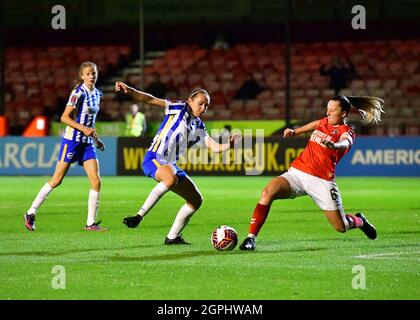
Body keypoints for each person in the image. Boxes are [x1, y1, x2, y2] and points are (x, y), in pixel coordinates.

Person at [239, 95, 385, 251]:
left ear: (343, 113)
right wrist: (296, 131)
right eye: (327, 109)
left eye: (332, 110)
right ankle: (251, 238)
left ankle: (359, 221)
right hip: (297, 174)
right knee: (267, 192)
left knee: (341, 227)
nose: (328, 113)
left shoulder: (347, 132)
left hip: (322, 182)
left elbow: (345, 142)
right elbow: (316, 124)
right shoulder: (324, 122)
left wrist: (334, 145)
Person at [115, 82, 241, 244]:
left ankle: (172, 237)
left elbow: (213, 146)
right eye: (200, 103)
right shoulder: (178, 108)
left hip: (170, 165)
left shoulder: (199, 125)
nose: (203, 108)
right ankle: (139, 215)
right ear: (190, 101)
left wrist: (228, 146)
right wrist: (130, 91)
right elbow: (150, 99)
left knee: (196, 200)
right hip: (154, 157)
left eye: (206, 105)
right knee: (171, 178)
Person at [24, 61, 106, 232]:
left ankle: (90, 223)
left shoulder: (98, 94)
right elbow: (64, 118)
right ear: (82, 76)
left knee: (96, 181)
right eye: (89, 73)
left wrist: (96, 140)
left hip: (87, 143)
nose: (92, 76)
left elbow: (91, 122)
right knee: (56, 180)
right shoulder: (78, 93)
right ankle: (31, 212)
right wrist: (84, 129)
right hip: (72, 141)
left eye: (94, 73)